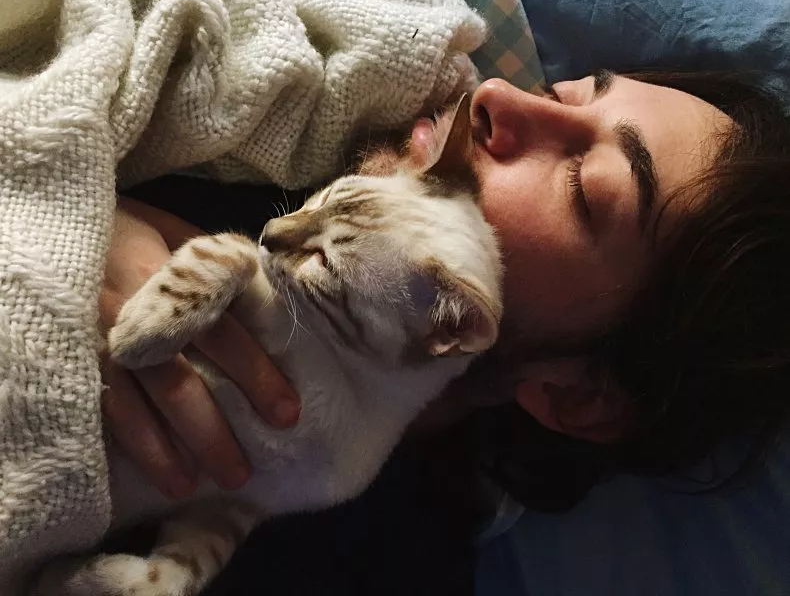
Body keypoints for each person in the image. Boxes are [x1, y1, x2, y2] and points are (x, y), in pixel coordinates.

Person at [103, 69, 790, 513]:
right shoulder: (240, 117)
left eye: (584, 186)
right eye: (565, 93)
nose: (495, 93)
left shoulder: (371, 568)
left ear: (576, 396)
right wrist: (73, 221)